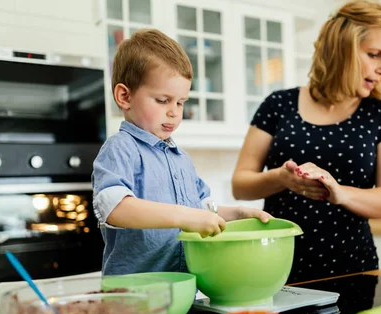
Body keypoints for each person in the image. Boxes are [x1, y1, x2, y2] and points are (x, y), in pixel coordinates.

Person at [231, 0, 381, 283]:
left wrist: (340, 193)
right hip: (274, 266)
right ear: (343, 48)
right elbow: (240, 184)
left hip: (352, 267)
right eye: (374, 55)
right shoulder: (278, 104)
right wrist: (281, 178)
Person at [93, 29, 271, 276]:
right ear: (125, 96)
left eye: (180, 102)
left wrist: (237, 214)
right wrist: (185, 216)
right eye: (162, 100)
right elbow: (115, 209)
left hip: (183, 287)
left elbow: (201, 209)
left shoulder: (180, 158)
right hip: (134, 295)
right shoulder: (121, 148)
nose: (175, 112)